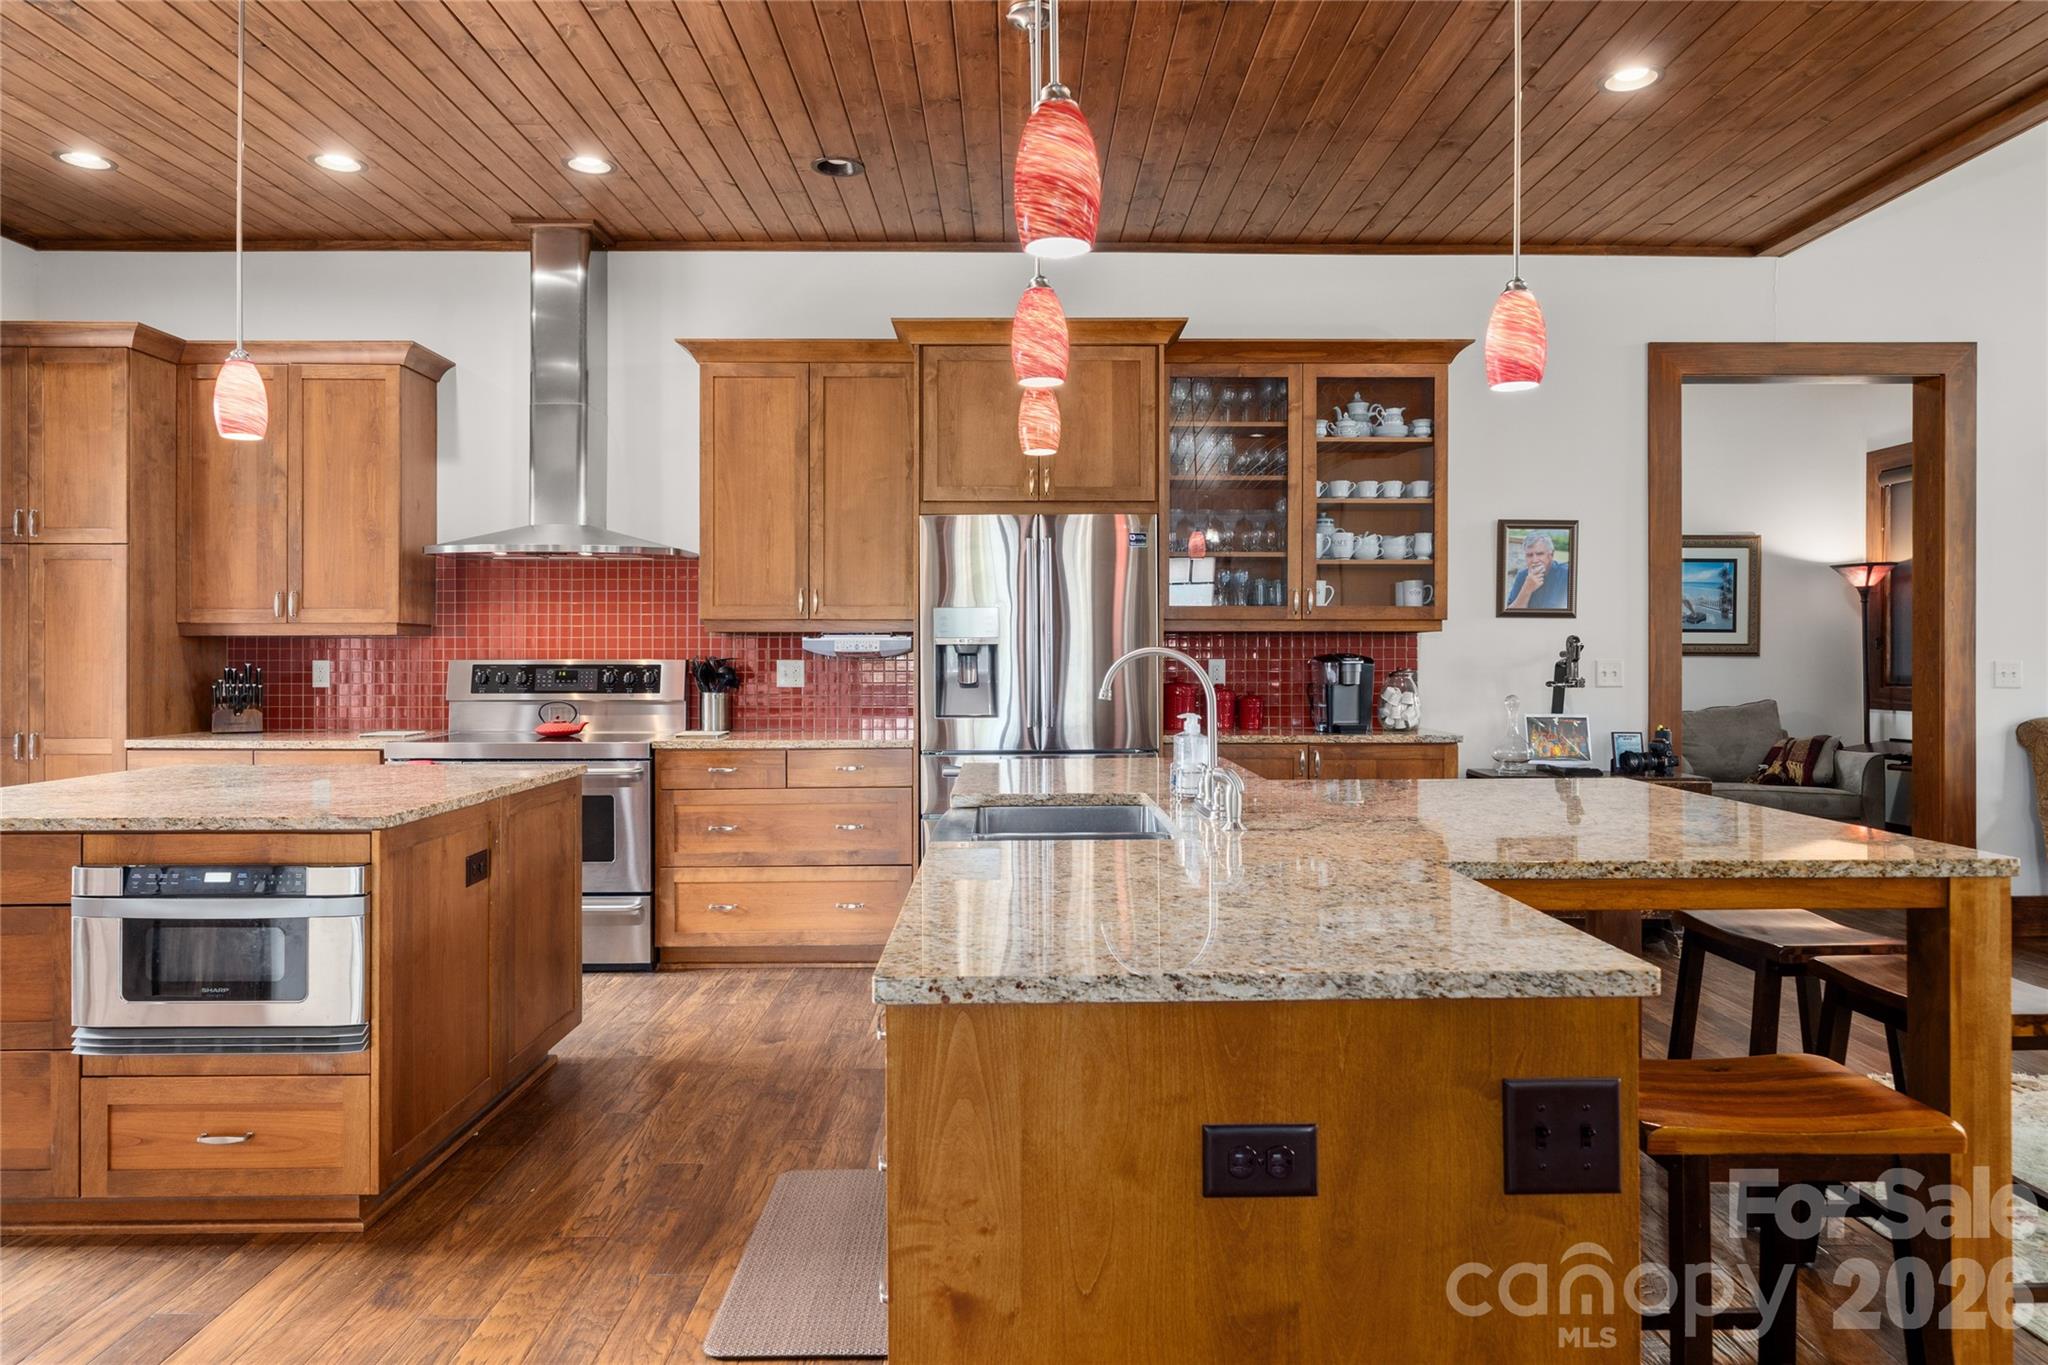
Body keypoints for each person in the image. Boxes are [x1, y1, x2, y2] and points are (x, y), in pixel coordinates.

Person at [1505, 531, 1572, 611]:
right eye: (1529, 555)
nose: (1534, 560)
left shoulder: (1567, 574)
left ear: (1551, 555)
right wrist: (1527, 589)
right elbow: (1510, 614)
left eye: (1540, 554)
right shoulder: (1522, 575)